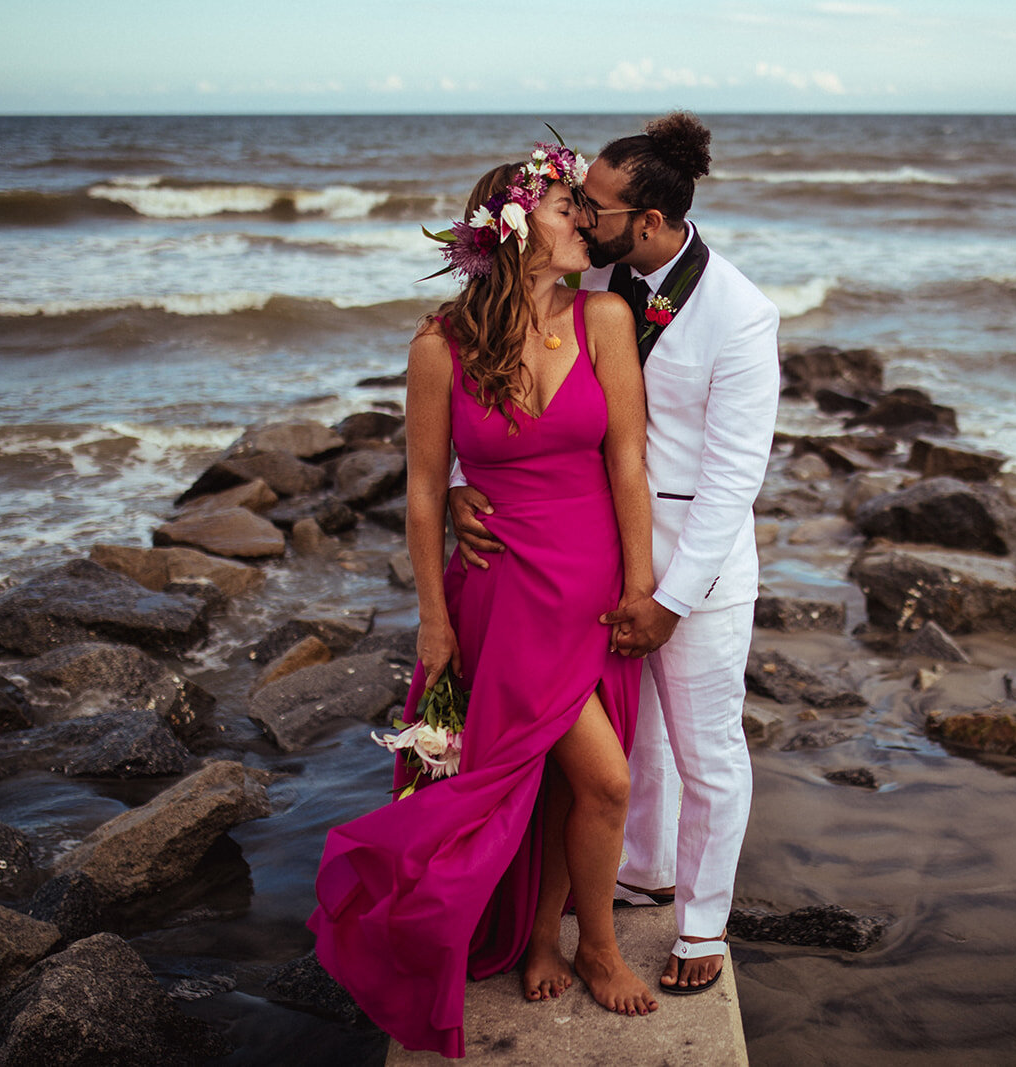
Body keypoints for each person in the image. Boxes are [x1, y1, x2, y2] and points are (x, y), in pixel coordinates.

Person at [307, 141, 659, 1059]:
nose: (586, 221)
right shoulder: (440, 344)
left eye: (584, 208)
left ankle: (558, 938)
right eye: (565, 209)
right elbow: (425, 491)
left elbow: (627, 460)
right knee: (599, 778)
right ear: (512, 231)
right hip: (501, 598)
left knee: (570, 777)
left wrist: (641, 584)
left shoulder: (608, 318)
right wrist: (432, 619)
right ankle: (600, 947)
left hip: (588, 594)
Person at [452, 113, 781, 996]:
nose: (581, 216)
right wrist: (459, 479)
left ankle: (702, 922)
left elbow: (730, 483)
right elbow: (501, 370)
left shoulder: (740, 315)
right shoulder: (589, 276)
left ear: (648, 221)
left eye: (595, 206)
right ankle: (636, 872)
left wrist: (669, 596)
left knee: (706, 747)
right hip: (586, 560)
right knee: (633, 743)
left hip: (696, 571)